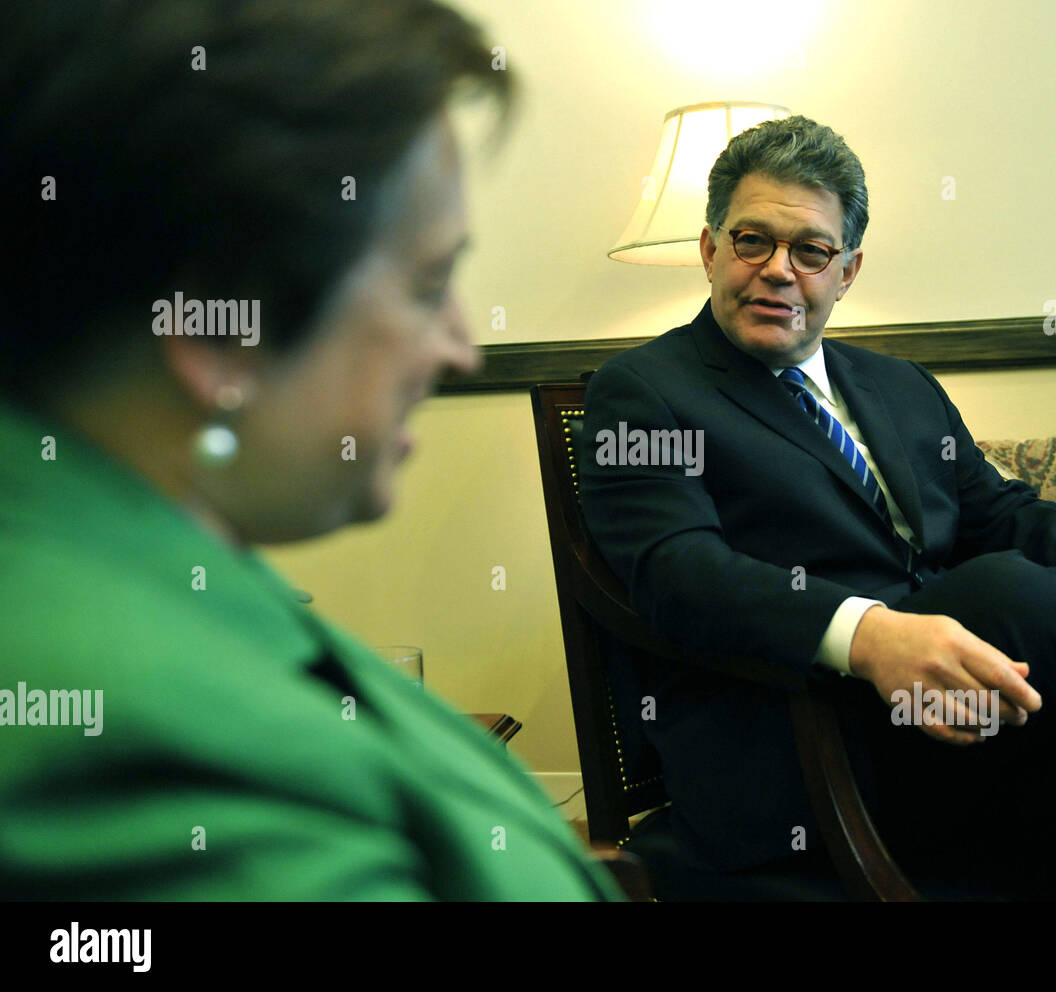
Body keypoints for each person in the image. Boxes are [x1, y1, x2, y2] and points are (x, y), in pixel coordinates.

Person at [578, 114, 1056, 899]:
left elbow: (1004, 512)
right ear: (711, 249)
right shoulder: (642, 392)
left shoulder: (899, 386)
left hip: (967, 726)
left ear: (846, 270)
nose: (780, 270)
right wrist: (869, 635)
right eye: (753, 240)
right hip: (807, 736)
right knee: (1000, 590)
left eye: (811, 250)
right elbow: (677, 570)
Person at [0, 0, 622, 901]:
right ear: (219, 323)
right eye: (428, 282)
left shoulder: (163, 567)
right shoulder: (138, 753)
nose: (461, 347)